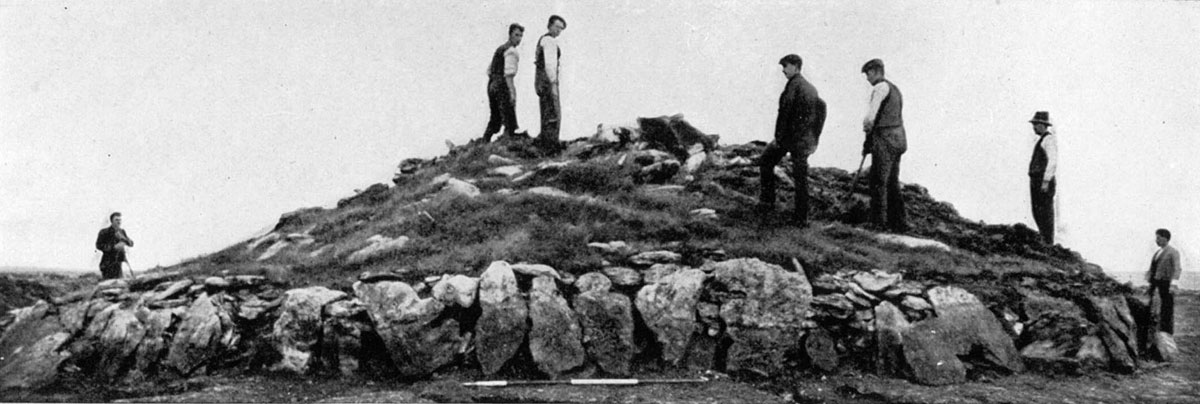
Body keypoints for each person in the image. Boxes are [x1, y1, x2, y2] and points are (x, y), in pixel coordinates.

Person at [759, 54, 826, 226]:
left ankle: (767, 203)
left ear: (796, 66)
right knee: (801, 177)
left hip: (790, 138)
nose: (783, 70)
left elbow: (785, 112)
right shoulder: (811, 88)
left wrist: (779, 137)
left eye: (786, 66)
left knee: (766, 161)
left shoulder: (793, 85)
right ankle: (801, 218)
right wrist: (814, 138)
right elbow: (822, 111)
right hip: (804, 141)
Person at [860, 58, 907, 232]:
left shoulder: (879, 88)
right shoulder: (895, 89)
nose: (867, 78)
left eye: (868, 73)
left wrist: (867, 136)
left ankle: (877, 223)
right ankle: (899, 223)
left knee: (878, 181)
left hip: (885, 139)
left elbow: (870, 118)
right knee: (892, 182)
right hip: (899, 139)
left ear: (875, 71)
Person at [481, 23, 525, 142]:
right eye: (516, 35)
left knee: (495, 116)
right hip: (502, 86)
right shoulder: (511, 51)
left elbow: (489, 71)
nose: (519, 39)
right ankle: (507, 142)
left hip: (491, 85)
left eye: (521, 36)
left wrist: (494, 82)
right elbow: (509, 75)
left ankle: (485, 141)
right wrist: (512, 92)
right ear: (510, 35)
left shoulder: (500, 49)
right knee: (508, 115)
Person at [533, 15, 566, 152]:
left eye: (561, 29)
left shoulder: (543, 39)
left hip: (540, 81)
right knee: (553, 113)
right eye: (557, 27)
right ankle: (551, 147)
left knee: (546, 112)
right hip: (548, 82)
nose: (558, 31)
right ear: (550, 25)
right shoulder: (550, 41)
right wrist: (553, 83)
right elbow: (550, 64)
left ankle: (546, 144)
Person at [1027, 111, 1058, 244]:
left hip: (1043, 181)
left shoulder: (1048, 140)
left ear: (1042, 125)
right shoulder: (1042, 139)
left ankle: (1047, 242)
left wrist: (1046, 181)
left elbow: (1052, 161)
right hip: (1036, 181)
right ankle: (1044, 240)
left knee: (1045, 212)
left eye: (1035, 124)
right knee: (1037, 210)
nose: (1033, 127)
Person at [1146, 228, 1182, 334]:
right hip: (1155, 283)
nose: (1156, 240)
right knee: (1153, 306)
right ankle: (1154, 330)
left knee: (1167, 307)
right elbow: (1153, 267)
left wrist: (1173, 284)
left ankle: (1167, 332)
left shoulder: (1173, 252)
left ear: (1165, 238)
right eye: (1156, 238)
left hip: (1166, 283)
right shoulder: (1158, 252)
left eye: (1158, 238)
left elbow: (1177, 268)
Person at [95, 212, 133, 280]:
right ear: (111, 221)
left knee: (119, 284)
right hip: (108, 264)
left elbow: (131, 243)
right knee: (108, 285)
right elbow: (99, 245)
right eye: (116, 220)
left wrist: (124, 238)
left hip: (119, 263)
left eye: (120, 220)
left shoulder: (122, 231)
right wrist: (114, 247)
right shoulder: (104, 232)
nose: (119, 222)